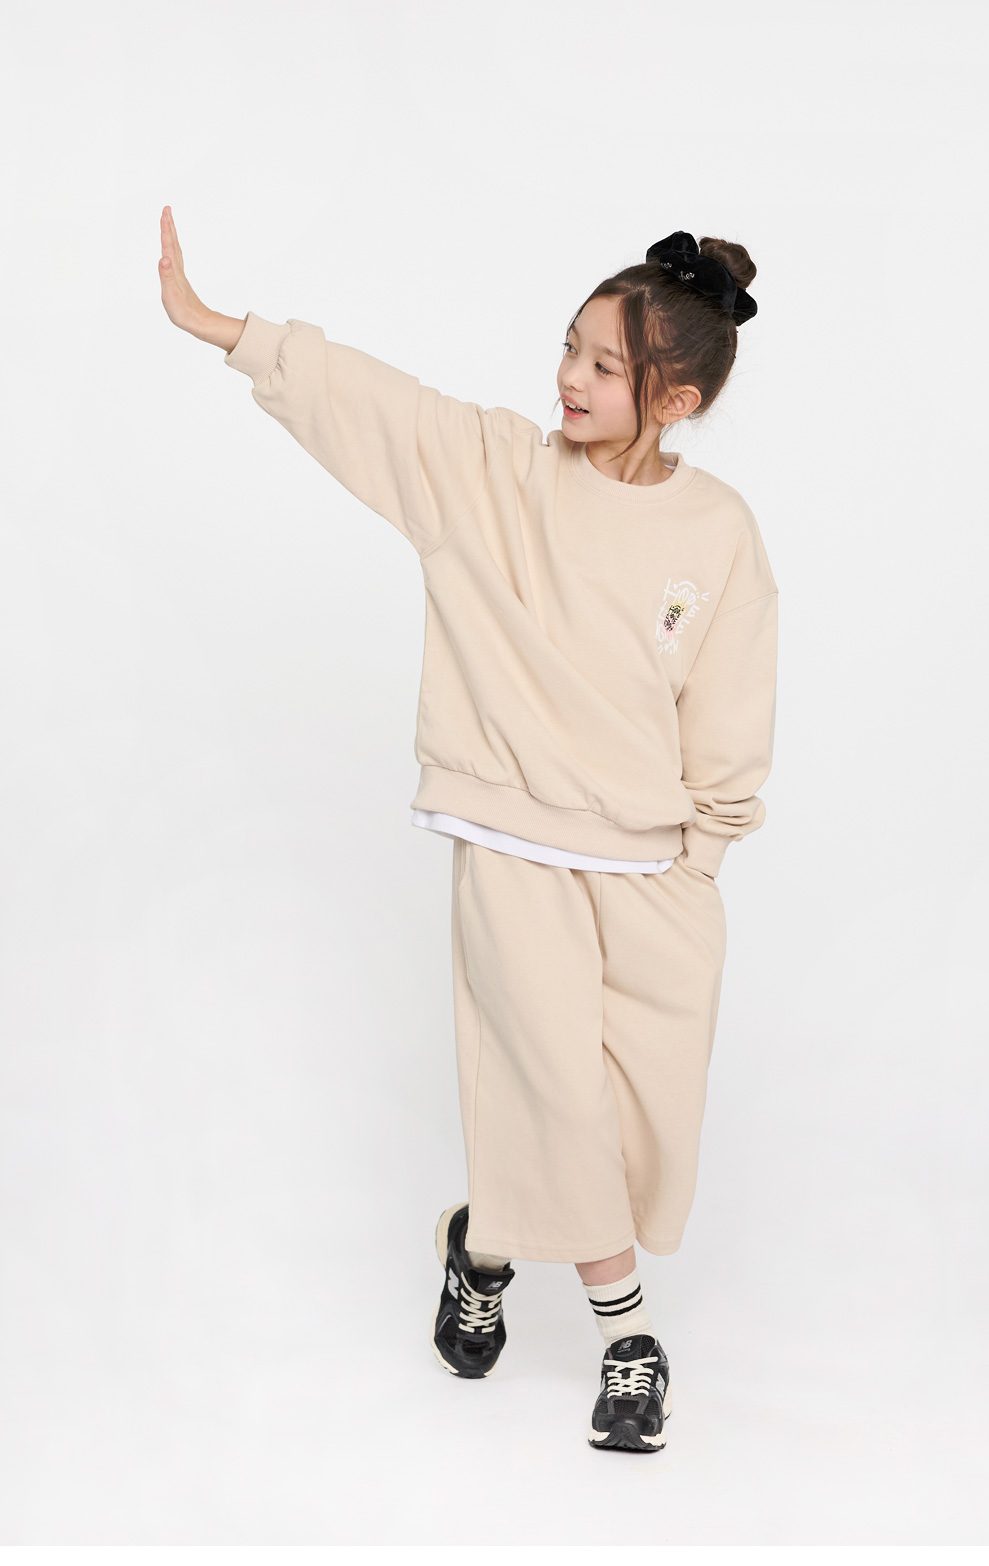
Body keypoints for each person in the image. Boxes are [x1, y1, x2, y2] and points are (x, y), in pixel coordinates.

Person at [158, 208, 778, 1453]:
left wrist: (705, 854)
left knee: (640, 1123)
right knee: (557, 1091)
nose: (570, 378)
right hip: (514, 847)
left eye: (605, 365)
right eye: (570, 348)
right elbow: (376, 405)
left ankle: (481, 1245)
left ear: (679, 399)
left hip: (655, 866)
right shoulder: (494, 474)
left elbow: (732, 701)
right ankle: (629, 1343)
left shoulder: (719, 533)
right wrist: (226, 328)